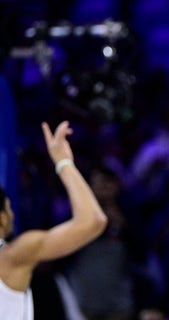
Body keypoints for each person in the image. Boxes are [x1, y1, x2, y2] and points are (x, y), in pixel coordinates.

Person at [0, 120, 108, 319]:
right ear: (1, 219)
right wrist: (63, 162)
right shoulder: (12, 256)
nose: (13, 216)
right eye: (9, 209)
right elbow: (93, 221)